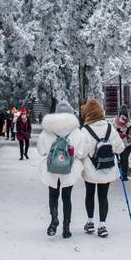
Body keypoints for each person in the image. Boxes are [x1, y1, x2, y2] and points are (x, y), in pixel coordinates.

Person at [76, 98, 125, 238]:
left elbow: (80, 153)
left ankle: (90, 222)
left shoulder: (85, 131)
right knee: (103, 196)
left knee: (90, 194)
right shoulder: (110, 128)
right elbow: (120, 148)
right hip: (107, 169)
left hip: (91, 170)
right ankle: (102, 225)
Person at [37, 100, 83, 238]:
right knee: (67, 197)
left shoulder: (48, 129)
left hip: (51, 170)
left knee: (53, 195)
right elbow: (80, 152)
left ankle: (54, 219)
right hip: (68, 169)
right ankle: (66, 228)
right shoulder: (76, 131)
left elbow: (41, 150)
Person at [114, 107, 131, 181]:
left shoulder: (117, 121)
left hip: (124, 142)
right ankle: (124, 175)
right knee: (124, 158)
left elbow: (116, 132)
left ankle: (124, 175)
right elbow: (128, 130)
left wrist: (123, 131)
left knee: (123, 158)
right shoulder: (127, 122)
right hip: (126, 142)